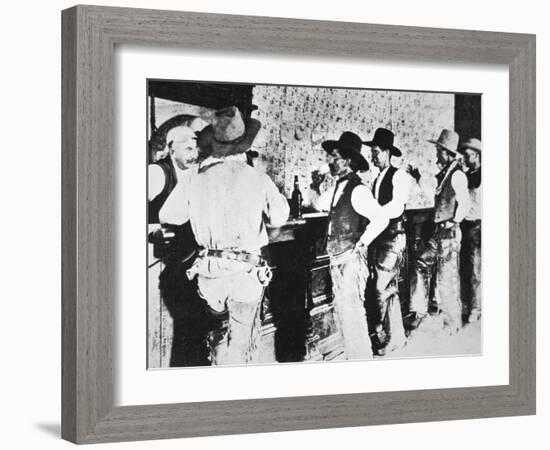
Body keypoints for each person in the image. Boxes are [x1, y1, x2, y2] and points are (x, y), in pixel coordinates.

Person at [160, 106, 289, 365]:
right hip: (246, 274)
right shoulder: (257, 178)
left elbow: (169, 216)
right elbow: (279, 218)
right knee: (241, 340)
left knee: (217, 336)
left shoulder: (194, 178)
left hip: (210, 274)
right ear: (243, 146)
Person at [148, 118, 216, 367]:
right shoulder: (156, 173)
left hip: (187, 263)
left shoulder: (195, 177)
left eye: (195, 148)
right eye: (187, 148)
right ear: (171, 147)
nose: (193, 154)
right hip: (157, 261)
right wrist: (152, 230)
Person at [321, 131, 389, 360]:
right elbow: (319, 203)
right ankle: (355, 359)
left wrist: (362, 243)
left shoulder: (358, 190)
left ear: (348, 160)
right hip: (338, 259)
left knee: (352, 315)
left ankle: (361, 362)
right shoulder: (338, 187)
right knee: (344, 313)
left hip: (350, 260)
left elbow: (381, 219)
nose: (329, 160)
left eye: (334, 156)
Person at [407, 129, 470, 334]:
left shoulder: (457, 175)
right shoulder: (446, 174)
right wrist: (418, 179)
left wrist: (453, 221)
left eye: (438, 150)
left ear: (447, 152)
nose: (436, 154)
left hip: (449, 234)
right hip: (438, 234)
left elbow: (465, 203)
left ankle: (453, 323)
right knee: (420, 264)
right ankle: (420, 311)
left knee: (447, 279)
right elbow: (435, 199)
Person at [363, 128, 411, 355]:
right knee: (387, 288)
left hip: (393, 238)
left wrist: (376, 213)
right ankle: (397, 337)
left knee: (381, 287)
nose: (372, 157)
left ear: (387, 152)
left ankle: (380, 331)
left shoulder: (399, 176)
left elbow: (397, 206)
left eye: (375, 152)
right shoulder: (376, 178)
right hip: (380, 238)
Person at [458, 138, 482, 323]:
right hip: (467, 225)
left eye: (468, 156)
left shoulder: (483, 174)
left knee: (475, 269)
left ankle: (476, 307)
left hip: (479, 224)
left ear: (477, 155)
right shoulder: (466, 174)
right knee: (467, 267)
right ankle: (469, 305)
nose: (465, 159)